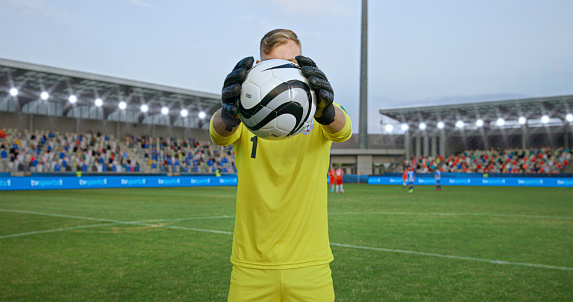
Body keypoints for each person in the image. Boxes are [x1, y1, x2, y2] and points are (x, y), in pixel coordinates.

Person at [210, 29, 352, 302]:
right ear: (262, 66)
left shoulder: (320, 108)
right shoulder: (245, 111)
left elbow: (343, 130)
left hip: (311, 264)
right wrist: (228, 112)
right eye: (278, 63)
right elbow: (219, 134)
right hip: (251, 266)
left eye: (294, 63)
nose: (289, 70)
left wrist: (327, 110)